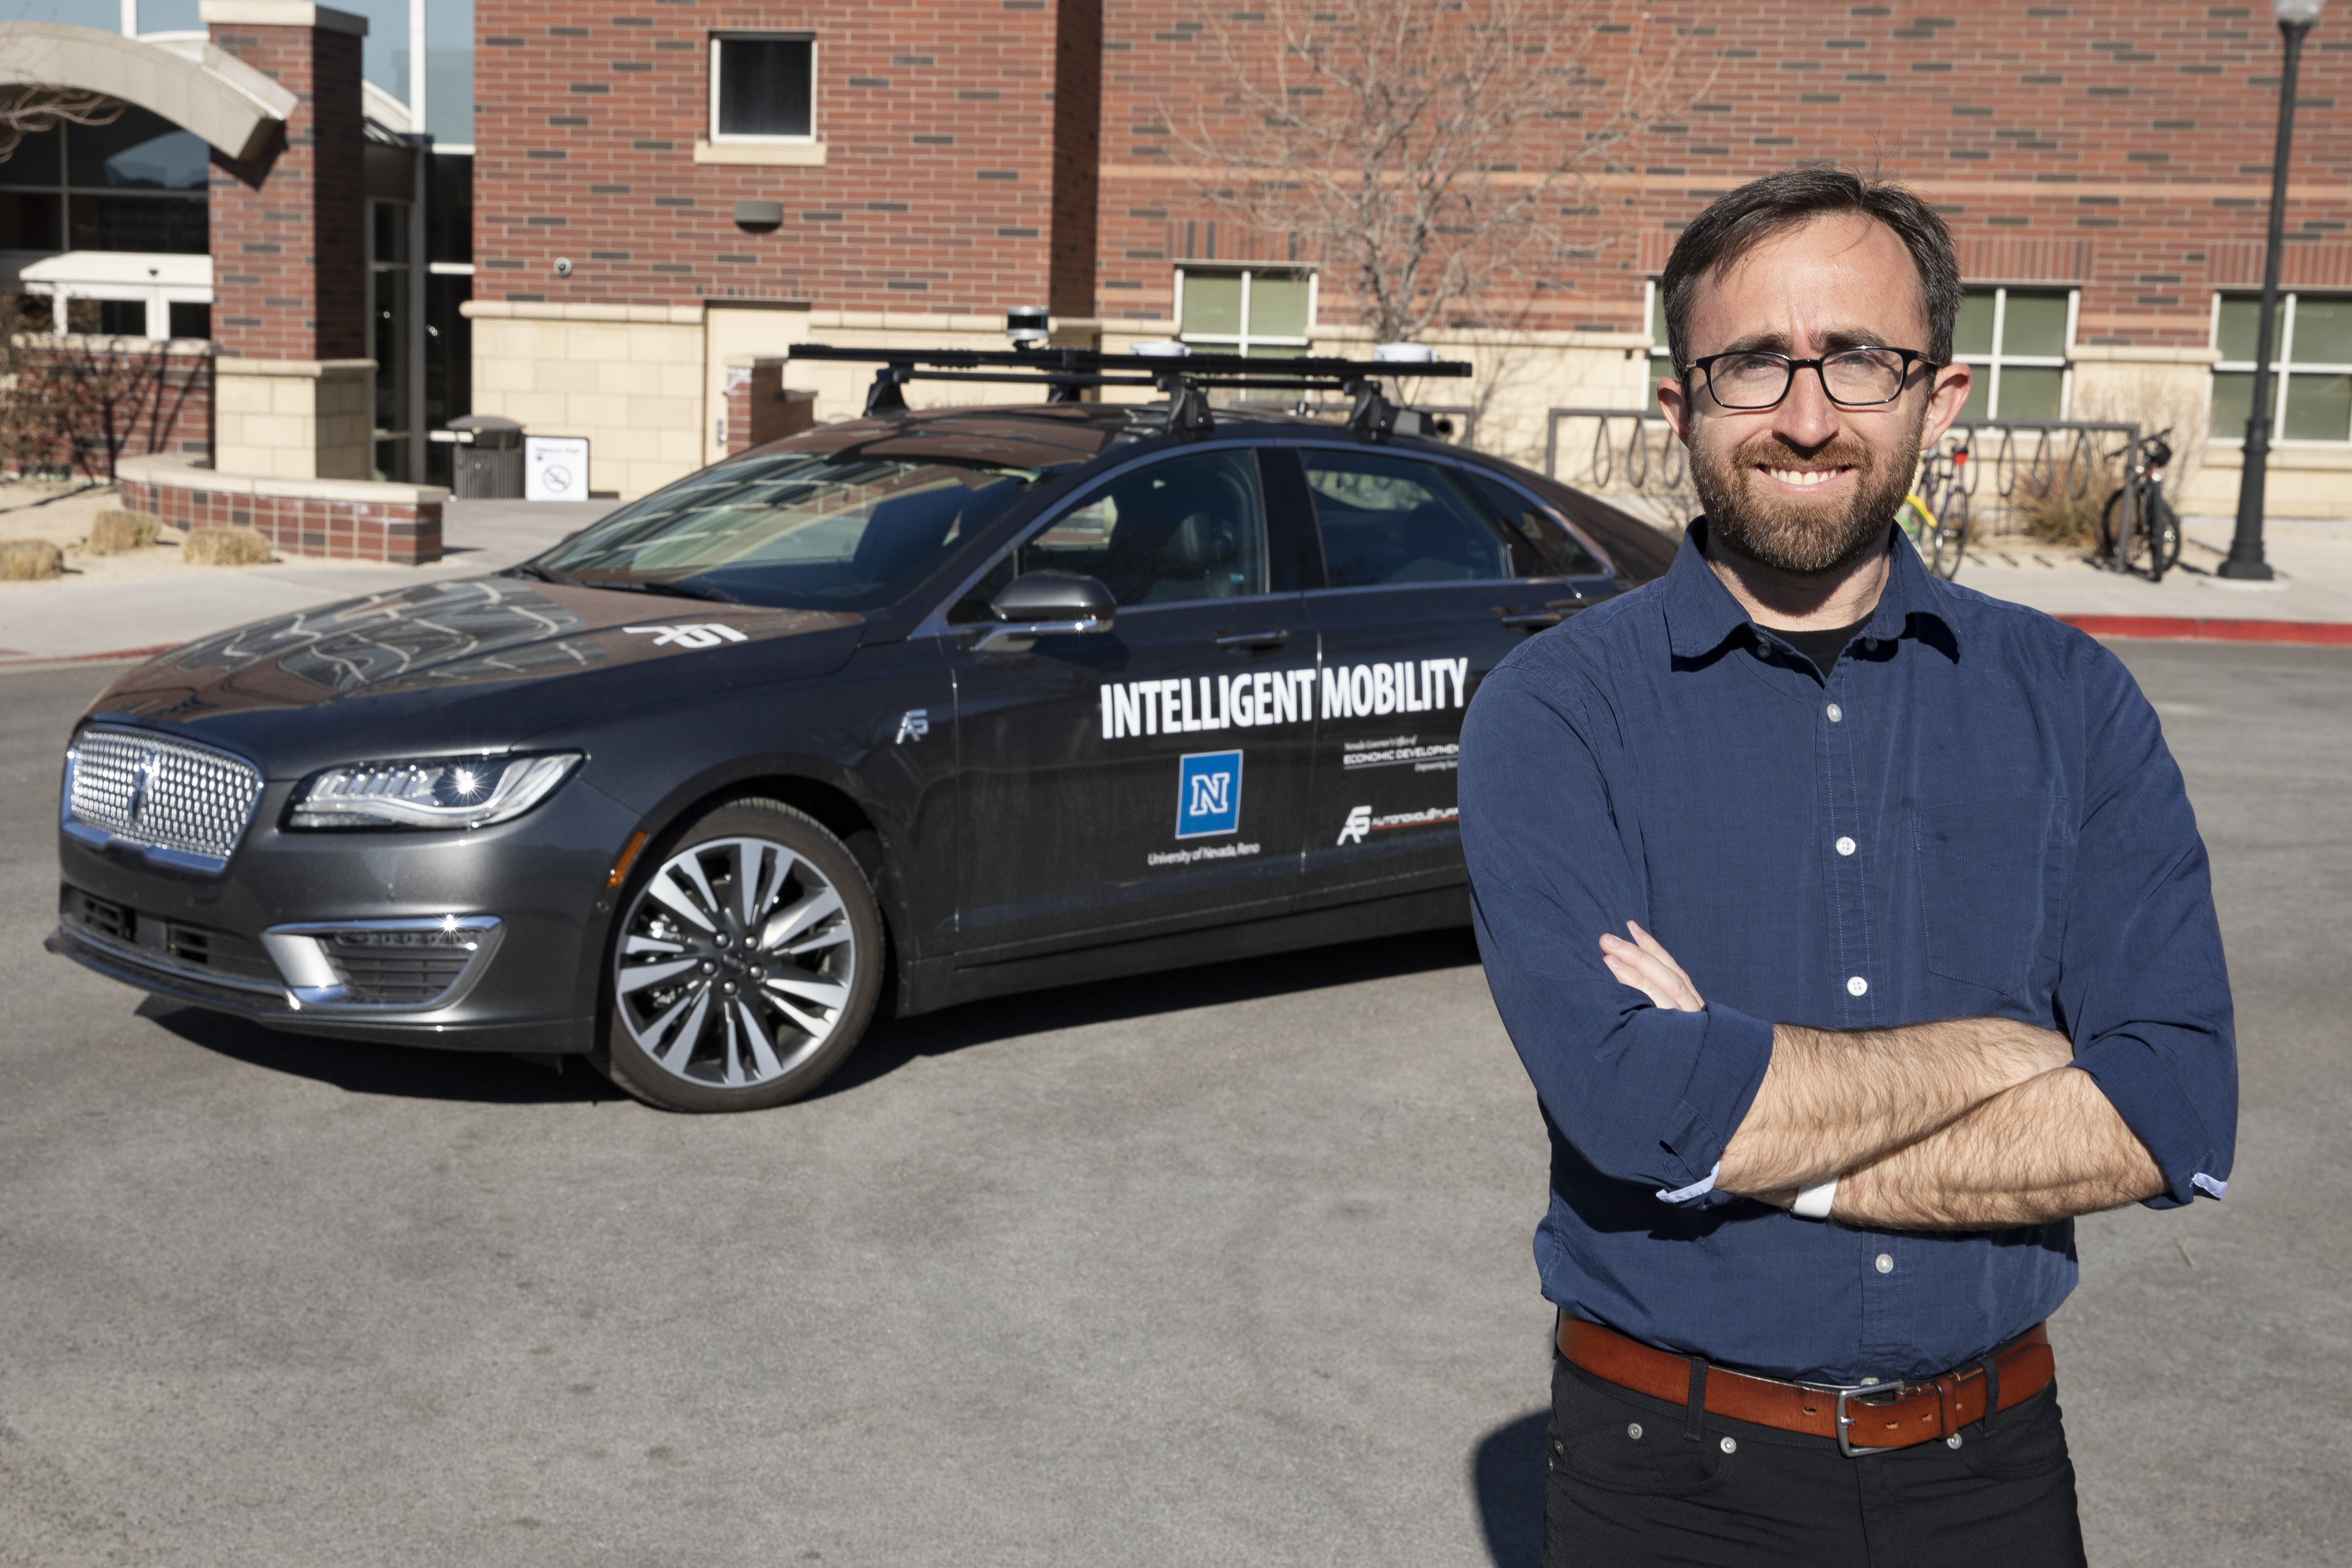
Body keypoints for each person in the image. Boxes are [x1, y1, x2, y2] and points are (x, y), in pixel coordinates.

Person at [1457, 168, 2235, 1568]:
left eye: (1857, 361)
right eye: (1752, 363)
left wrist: (1740, 1118)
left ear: (1936, 401)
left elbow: (2167, 1110)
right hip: (1666, 1483)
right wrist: (2013, 1056)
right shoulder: (1557, 711)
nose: (1805, 417)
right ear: (1678, 406)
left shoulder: (2071, 703)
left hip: (1987, 1474)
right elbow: (1632, 1107)